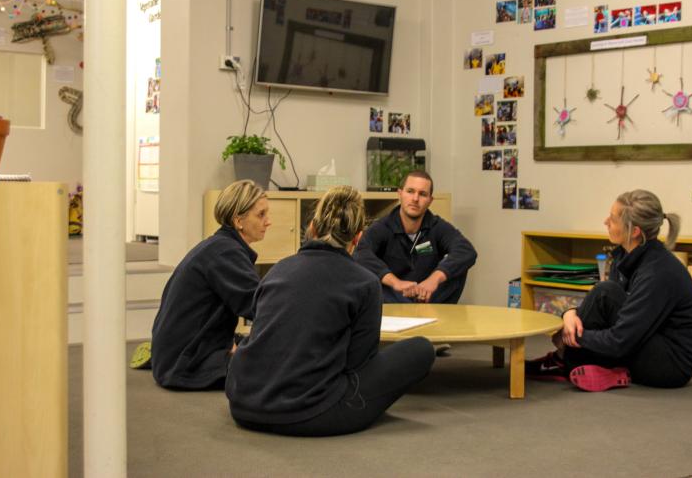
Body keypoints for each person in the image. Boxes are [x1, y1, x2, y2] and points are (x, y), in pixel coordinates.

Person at [226, 186, 435, 436]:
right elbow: (358, 364)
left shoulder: (277, 270)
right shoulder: (365, 283)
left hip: (245, 404)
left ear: (312, 229)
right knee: (421, 349)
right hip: (310, 412)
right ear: (357, 238)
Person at [525, 189, 692, 392]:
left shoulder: (658, 272)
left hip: (671, 365)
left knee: (604, 292)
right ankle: (587, 364)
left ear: (634, 231)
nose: (605, 222)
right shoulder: (624, 255)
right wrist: (570, 314)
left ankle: (566, 361)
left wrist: (574, 337)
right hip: (648, 339)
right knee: (605, 293)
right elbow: (605, 310)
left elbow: (620, 339)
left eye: (612, 218)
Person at [148, 180, 270, 390]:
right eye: (261, 215)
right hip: (184, 363)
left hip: (173, 356)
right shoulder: (226, 253)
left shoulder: (219, 247)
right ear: (238, 220)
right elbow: (259, 306)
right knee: (281, 362)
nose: (268, 222)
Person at [354, 170, 477, 304]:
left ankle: (437, 311)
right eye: (410, 191)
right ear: (400, 194)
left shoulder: (437, 226)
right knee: (364, 270)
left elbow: (466, 251)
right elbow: (361, 253)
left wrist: (434, 279)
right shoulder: (382, 227)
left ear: (430, 200)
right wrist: (396, 283)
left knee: (460, 266)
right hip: (393, 298)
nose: (415, 199)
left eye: (423, 194)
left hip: (429, 298)